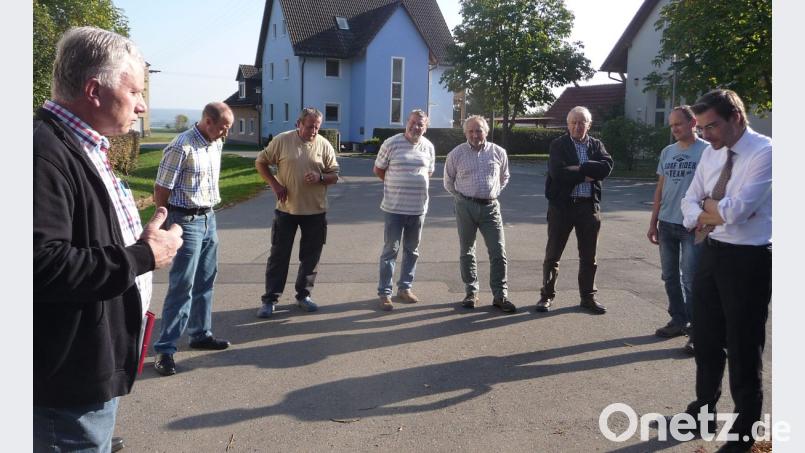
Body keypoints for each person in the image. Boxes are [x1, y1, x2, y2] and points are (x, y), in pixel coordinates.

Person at [33, 26, 183, 451]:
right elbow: (41, 265)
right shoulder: (44, 153)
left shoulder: (79, 145)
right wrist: (142, 256)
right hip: (64, 385)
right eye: (135, 90)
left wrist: (138, 246)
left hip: (86, 372)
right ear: (94, 90)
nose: (142, 105)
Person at [677, 89, 771, 453]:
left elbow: (738, 211)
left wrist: (709, 206)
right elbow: (690, 200)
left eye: (711, 126)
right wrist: (707, 208)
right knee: (706, 337)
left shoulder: (765, 153)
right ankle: (703, 409)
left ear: (736, 117)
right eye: (700, 127)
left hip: (748, 259)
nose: (704, 135)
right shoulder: (711, 154)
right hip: (711, 253)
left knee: (744, 346)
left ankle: (744, 430)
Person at [152, 102, 234, 376]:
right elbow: (161, 188)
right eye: (224, 126)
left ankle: (200, 334)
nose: (226, 132)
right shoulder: (181, 146)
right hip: (185, 221)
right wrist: (164, 224)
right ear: (208, 121)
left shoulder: (215, 143)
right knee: (182, 285)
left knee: (206, 279)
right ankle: (165, 348)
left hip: (209, 217)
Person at [254, 108, 340, 317]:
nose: (313, 131)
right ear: (298, 124)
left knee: (310, 257)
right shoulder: (283, 141)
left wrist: (320, 177)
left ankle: (303, 295)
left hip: (315, 211)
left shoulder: (324, 144)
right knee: (279, 256)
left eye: (317, 127)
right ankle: (270, 299)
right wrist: (275, 185)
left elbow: (335, 174)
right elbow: (261, 162)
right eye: (310, 126)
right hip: (287, 210)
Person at [536, 106, 613, 314]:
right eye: (574, 122)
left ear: (589, 124)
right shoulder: (558, 144)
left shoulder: (596, 145)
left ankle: (588, 298)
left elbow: (606, 167)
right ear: (568, 124)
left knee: (589, 256)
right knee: (553, 254)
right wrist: (588, 172)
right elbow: (558, 173)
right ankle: (546, 296)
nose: (578, 126)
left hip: (588, 206)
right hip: (562, 206)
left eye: (582, 122)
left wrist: (578, 168)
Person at [647, 106, 708, 353]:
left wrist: (706, 219)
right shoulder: (667, 152)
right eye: (671, 126)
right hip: (667, 223)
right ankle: (678, 320)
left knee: (691, 279)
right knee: (669, 276)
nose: (674, 130)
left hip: (692, 226)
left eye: (678, 125)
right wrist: (653, 221)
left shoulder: (706, 151)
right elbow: (661, 188)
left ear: (693, 122)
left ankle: (697, 331)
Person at [443, 115, 516, 313]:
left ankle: (500, 295)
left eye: (479, 130)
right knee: (467, 251)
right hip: (465, 206)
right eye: (471, 131)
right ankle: (471, 292)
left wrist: (493, 193)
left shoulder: (498, 152)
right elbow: (448, 181)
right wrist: (462, 198)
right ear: (465, 133)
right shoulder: (456, 154)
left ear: (486, 131)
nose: (475, 135)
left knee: (498, 251)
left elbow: (505, 176)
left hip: (491, 208)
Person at [373, 109, 435, 311]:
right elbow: (378, 170)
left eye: (421, 124)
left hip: (418, 209)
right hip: (394, 208)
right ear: (406, 122)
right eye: (413, 122)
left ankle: (405, 288)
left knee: (412, 251)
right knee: (390, 250)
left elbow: (429, 172)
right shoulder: (391, 143)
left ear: (425, 128)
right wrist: (396, 184)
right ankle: (385, 293)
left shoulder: (428, 147)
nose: (416, 127)